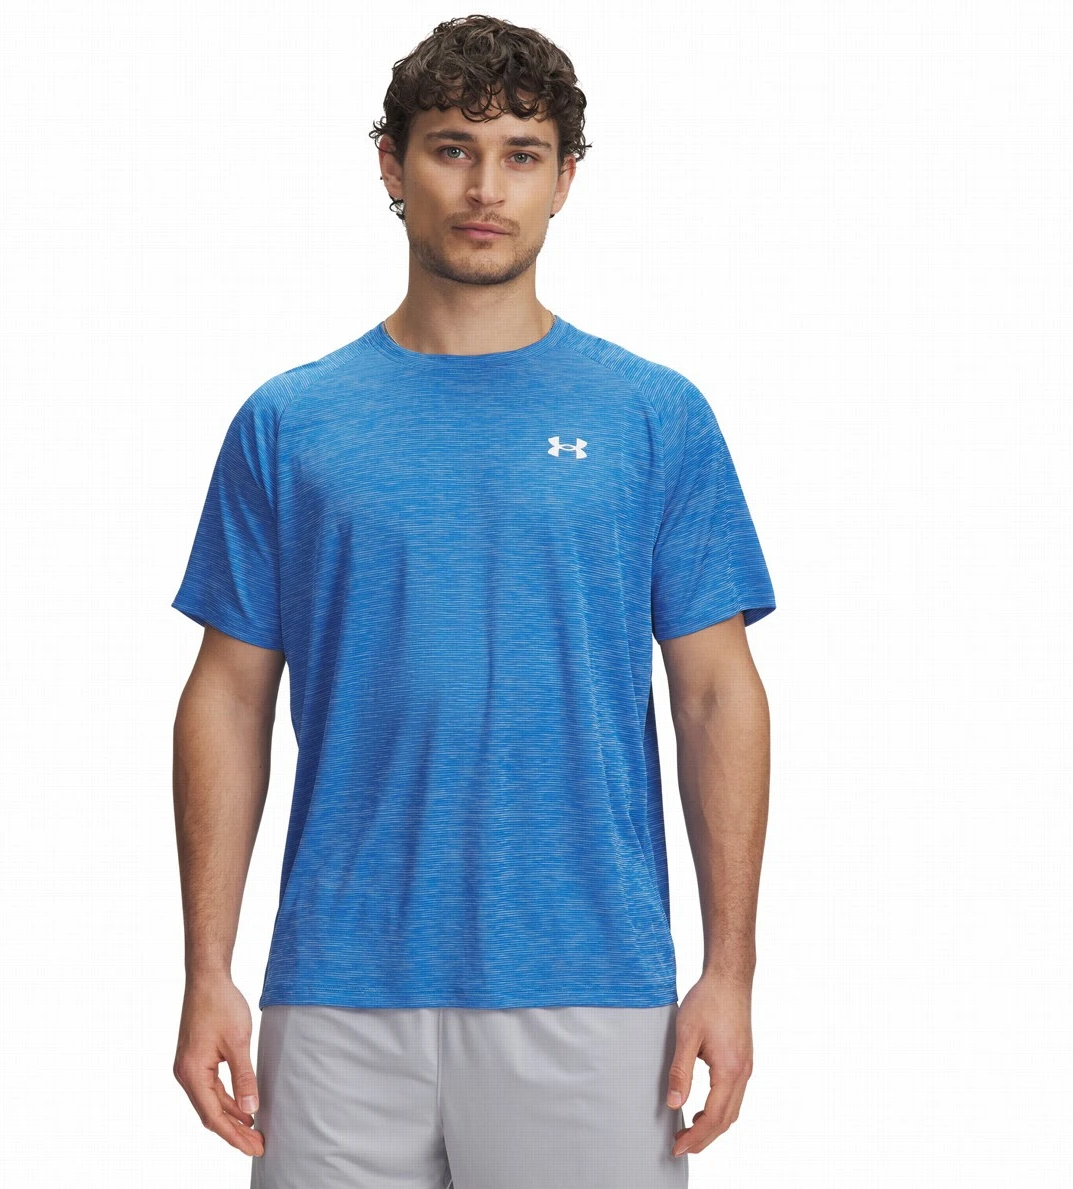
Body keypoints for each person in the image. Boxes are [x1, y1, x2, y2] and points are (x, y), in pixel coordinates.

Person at [170, 15, 776, 1189]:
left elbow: (715, 695)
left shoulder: (653, 416)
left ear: (565, 180)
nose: (486, 187)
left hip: (592, 986)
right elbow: (227, 698)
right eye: (452, 148)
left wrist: (730, 970)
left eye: (521, 153)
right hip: (337, 988)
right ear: (391, 166)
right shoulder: (290, 423)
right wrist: (206, 970)